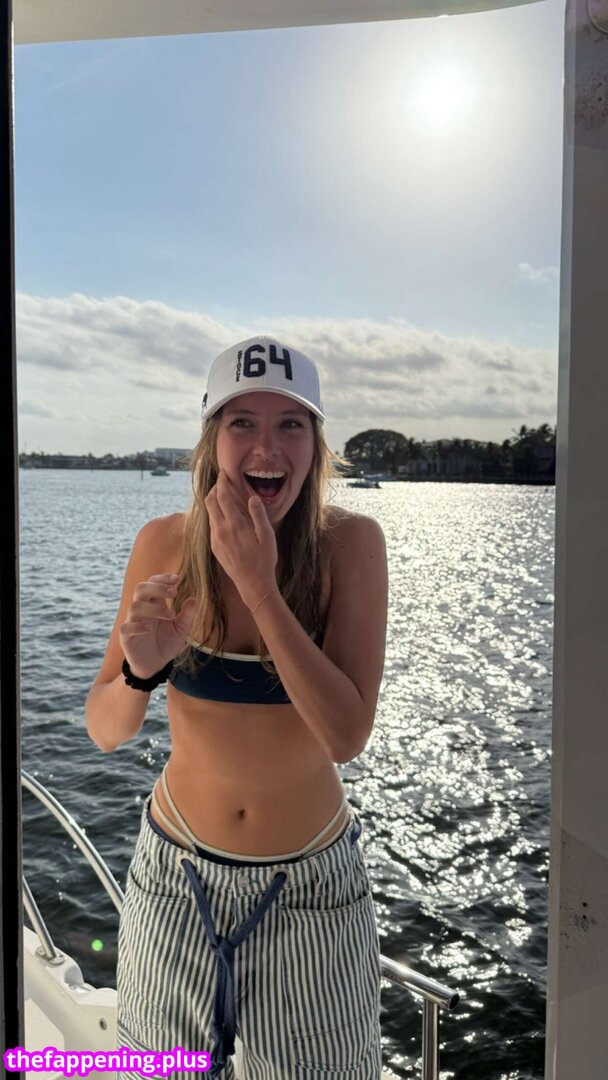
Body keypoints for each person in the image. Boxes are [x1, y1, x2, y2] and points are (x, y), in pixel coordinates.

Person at [87, 335, 388, 1080]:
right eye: (242, 422)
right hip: (175, 878)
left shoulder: (351, 546)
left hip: (310, 890)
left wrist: (258, 585)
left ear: (316, 446)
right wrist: (140, 673)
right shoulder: (162, 543)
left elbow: (345, 734)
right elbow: (105, 730)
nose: (267, 447)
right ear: (211, 441)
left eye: (291, 425)